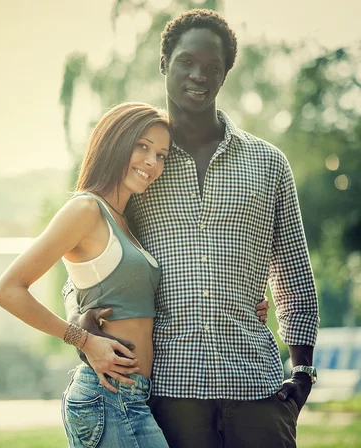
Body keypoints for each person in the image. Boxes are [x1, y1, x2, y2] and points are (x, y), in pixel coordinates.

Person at [65, 9, 320, 448]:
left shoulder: (268, 164)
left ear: (225, 76)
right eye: (186, 62)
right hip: (168, 394)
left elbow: (294, 273)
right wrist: (77, 316)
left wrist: (301, 375)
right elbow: (89, 253)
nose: (198, 75)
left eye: (212, 67)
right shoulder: (139, 169)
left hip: (258, 391)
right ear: (165, 62)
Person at [0, 102, 173, 447]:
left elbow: (79, 283)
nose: (152, 162)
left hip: (132, 396)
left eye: (161, 155)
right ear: (116, 143)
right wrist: (83, 339)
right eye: (143, 146)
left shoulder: (125, 220)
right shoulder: (86, 209)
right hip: (109, 397)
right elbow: (8, 290)